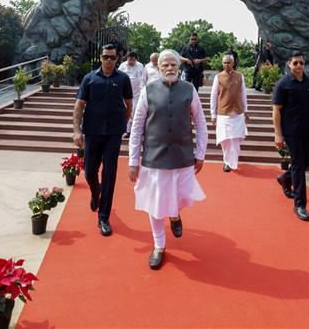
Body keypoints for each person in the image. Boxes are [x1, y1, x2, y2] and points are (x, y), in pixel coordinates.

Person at [128, 49, 208, 270]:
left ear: (179, 67)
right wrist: (133, 160)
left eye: (173, 64)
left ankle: (174, 215)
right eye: (165, 65)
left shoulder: (189, 90)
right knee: (155, 203)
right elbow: (136, 127)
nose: (170, 68)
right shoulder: (148, 91)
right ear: (158, 67)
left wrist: (200, 153)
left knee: (180, 196)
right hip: (154, 157)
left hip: (183, 157)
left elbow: (200, 123)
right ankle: (159, 245)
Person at [73, 45, 133, 236]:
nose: (109, 60)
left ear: (117, 59)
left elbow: (129, 105)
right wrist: (76, 131)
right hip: (92, 132)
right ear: (100, 58)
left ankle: (104, 217)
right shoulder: (89, 78)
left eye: (112, 57)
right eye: (105, 57)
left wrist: (121, 124)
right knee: (89, 170)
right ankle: (95, 191)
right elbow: (79, 105)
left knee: (109, 173)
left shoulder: (123, 79)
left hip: (113, 134)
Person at [272, 51, 309, 222]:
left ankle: (284, 178)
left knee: (304, 164)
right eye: (295, 63)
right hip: (291, 132)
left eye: (301, 63)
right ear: (289, 64)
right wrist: (278, 134)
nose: (298, 66)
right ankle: (300, 205)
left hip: (308, 130)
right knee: (298, 164)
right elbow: (276, 110)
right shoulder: (283, 84)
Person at [210, 54, 249, 172]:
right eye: (224, 63)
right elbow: (213, 96)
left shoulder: (240, 76)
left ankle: (234, 161)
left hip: (238, 114)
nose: (226, 64)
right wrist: (213, 114)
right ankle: (227, 162)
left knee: (236, 139)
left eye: (228, 62)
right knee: (225, 140)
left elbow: (244, 94)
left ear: (233, 63)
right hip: (223, 114)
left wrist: (246, 110)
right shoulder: (218, 77)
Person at [118, 50, 147, 138]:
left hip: (137, 94)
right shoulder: (122, 66)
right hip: (124, 94)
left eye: (133, 60)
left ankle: (136, 131)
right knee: (126, 111)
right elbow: (118, 76)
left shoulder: (140, 66)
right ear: (127, 58)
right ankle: (127, 131)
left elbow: (143, 78)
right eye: (130, 60)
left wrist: (143, 90)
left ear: (136, 59)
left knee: (135, 112)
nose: (131, 62)